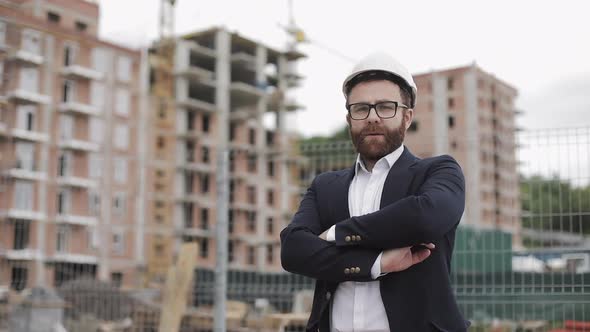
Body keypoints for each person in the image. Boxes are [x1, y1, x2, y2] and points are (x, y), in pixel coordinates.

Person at [280, 52, 470, 332]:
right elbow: (293, 250)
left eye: (385, 107)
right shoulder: (325, 186)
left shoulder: (439, 171)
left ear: (407, 116)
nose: (372, 118)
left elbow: (423, 218)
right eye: (361, 108)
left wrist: (337, 234)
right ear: (349, 118)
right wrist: (377, 262)